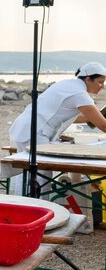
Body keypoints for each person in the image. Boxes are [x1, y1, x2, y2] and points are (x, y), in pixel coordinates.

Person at [8, 61, 106, 194]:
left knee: (28, 175)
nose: (102, 86)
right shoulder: (80, 94)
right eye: (100, 82)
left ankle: (24, 207)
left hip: (26, 128)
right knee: (40, 179)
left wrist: (93, 118)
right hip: (36, 132)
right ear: (88, 79)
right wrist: (97, 118)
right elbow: (103, 125)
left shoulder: (68, 85)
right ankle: (33, 209)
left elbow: (65, 115)